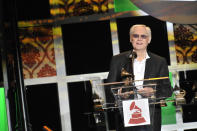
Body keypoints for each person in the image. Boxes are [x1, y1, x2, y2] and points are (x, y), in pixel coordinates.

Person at [106, 24, 173, 131]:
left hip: (151, 115)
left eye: (143, 36)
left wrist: (152, 92)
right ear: (131, 39)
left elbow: (167, 90)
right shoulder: (117, 60)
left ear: (149, 39)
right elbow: (109, 87)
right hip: (125, 115)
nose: (139, 39)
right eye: (136, 36)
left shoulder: (159, 61)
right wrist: (119, 93)